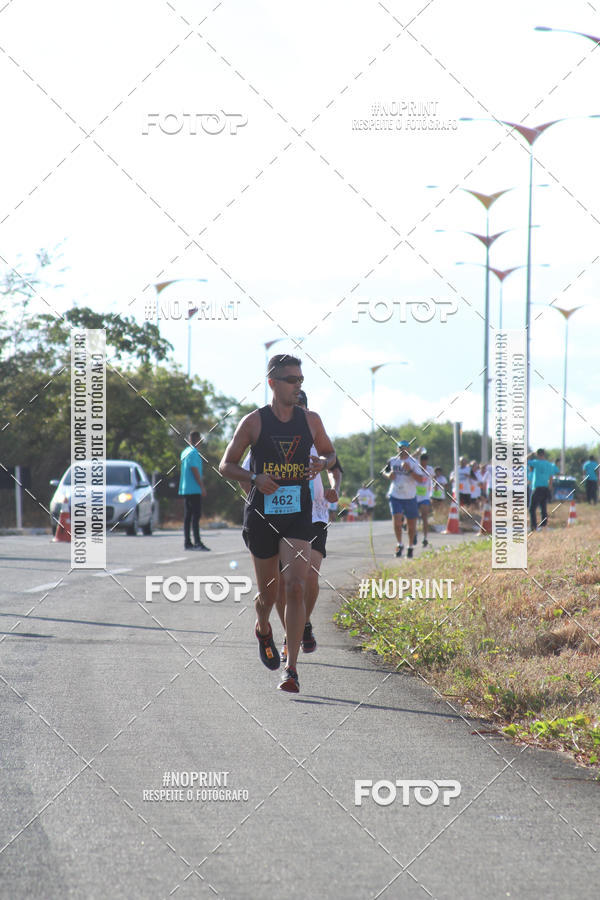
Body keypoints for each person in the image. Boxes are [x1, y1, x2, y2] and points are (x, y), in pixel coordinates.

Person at [219, 355, 336, 693]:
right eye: (291, 380)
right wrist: (255, 477)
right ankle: (262, 627)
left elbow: (331, 455)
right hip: (262, 516)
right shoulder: (254, 422)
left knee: (296, 587)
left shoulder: (311, 419)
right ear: (272, 382)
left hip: (298, 514)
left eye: (300, 379)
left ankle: (291, 668)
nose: (298, 385)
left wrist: (321, 463)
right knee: (269, 594)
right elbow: (226, 466)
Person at [384, 440, 425, 558]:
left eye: (405, 448)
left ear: (409, 449)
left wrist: (410, 470)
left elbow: (420, 479)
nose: (402, 450)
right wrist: (388, 475)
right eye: (400, 448)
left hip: (410, 496)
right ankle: (399, 544)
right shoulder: (392, 460)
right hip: (395, 495)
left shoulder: (413, 462)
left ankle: (410, 546)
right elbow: (385, 471)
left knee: (411, 526)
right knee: (397, 521)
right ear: (397, 449)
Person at [178, 431, 210, 551]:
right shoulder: (194, 453)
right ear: (197, 439)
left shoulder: (185, 451)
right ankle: (197, 542)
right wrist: (202, 486)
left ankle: (188, 542)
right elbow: (194, 470)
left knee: (188, 517)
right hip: (194, 489)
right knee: (196, 516)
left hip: (186, 488)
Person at [527, 449, 555, 530]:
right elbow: (551, 477)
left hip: (537, 488)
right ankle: (544, 525)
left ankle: (533, 526)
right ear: (544, 454)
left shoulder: (536, 462)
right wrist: (550, 487)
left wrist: (531, 454)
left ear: (538, 455)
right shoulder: (549, 464)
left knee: (532, 508)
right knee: (543, 508)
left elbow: (524, 461)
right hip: (545, 488)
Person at [416, 451, 435, 547]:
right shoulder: (415, 469)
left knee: (424, 516)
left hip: (425, 496)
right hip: (414, 495)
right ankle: (414, 533)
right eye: (421, 461)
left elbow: (433, 479)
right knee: (413, 516)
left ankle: (425, 538)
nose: (423, 463)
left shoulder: (430, 469)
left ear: (427, 461)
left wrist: (433, 490)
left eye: (424, 461)